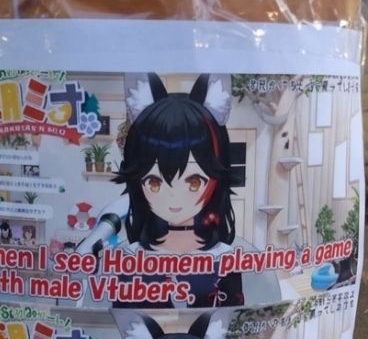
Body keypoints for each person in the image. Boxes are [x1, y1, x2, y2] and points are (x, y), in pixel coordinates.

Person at [111, 72, 278, 307]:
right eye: (155, 182)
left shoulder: (230, 256)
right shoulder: (128, 258)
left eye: (194, 182)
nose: (174, 198)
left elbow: (239, 316)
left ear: (215, 180)